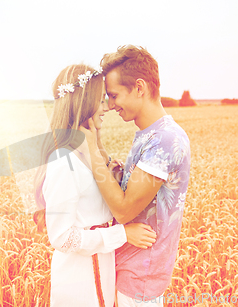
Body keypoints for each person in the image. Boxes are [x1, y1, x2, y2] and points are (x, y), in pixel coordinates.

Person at [33, 64, 157, 307]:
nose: (108, 107)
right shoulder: (64, 161)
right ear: (83, 104)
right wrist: (122, 234)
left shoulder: (87, 155)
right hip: (79, 282)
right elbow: (62, 238)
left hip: (99, 268)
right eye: (101, 101)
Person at [80, 45, 191, 307]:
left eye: (114, 95)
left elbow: (124, 210)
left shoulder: (164, 139)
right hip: (131, 270)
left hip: (140, 277)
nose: (110, 105)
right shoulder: (150, 133)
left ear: (139, 88)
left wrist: (92, 150)